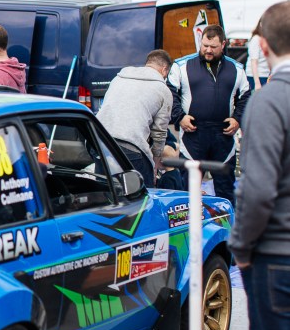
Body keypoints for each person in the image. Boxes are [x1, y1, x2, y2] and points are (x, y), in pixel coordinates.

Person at [226, 1, 290, 330]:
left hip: (277, 259)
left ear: (262, 45)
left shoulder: (270, 100)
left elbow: (258, 189)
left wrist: (241, 246)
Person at [167, 24, 249, 206]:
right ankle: (189, 222)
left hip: (224, 135)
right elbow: (170, 93)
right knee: (189, 188)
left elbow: (245, 96)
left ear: (223, 44)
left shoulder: (237, 68)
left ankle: (227, 222)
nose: (208, 50)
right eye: (205, 46)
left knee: (225, 189)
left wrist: (237, 119)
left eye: (213, 47)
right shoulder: (181, 65)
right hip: (193, 134)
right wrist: (179, 117)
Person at [97, 50, 172, 186]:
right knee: (143, 193)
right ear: (164, 69)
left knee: (103, 191)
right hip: (131, 146)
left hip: (100, 141)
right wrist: (155, 165)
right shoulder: (163, 90)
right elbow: (159, 133)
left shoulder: (118, 78)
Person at [246, 19, 270, 92]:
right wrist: (257, 83)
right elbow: (254, 62)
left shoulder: (267, 39)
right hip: (255, 77)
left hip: (265, 75)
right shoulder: (256, 39)